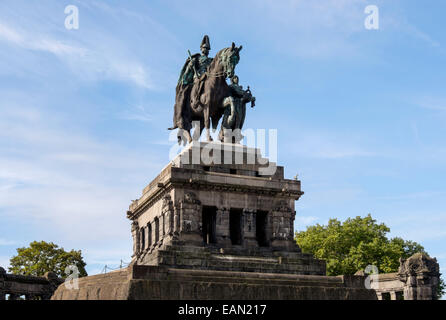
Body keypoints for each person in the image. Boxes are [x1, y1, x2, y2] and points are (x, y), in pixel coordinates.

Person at [169, 35, 213, 133]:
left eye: (207, 49)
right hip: (197, 79)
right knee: (192, 88)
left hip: (208, 79)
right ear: (201, 49)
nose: (205, 50)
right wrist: (191, 65)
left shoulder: (211, 60)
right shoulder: (196, 59)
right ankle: (193, 101)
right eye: (204, 48)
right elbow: (188, 70)